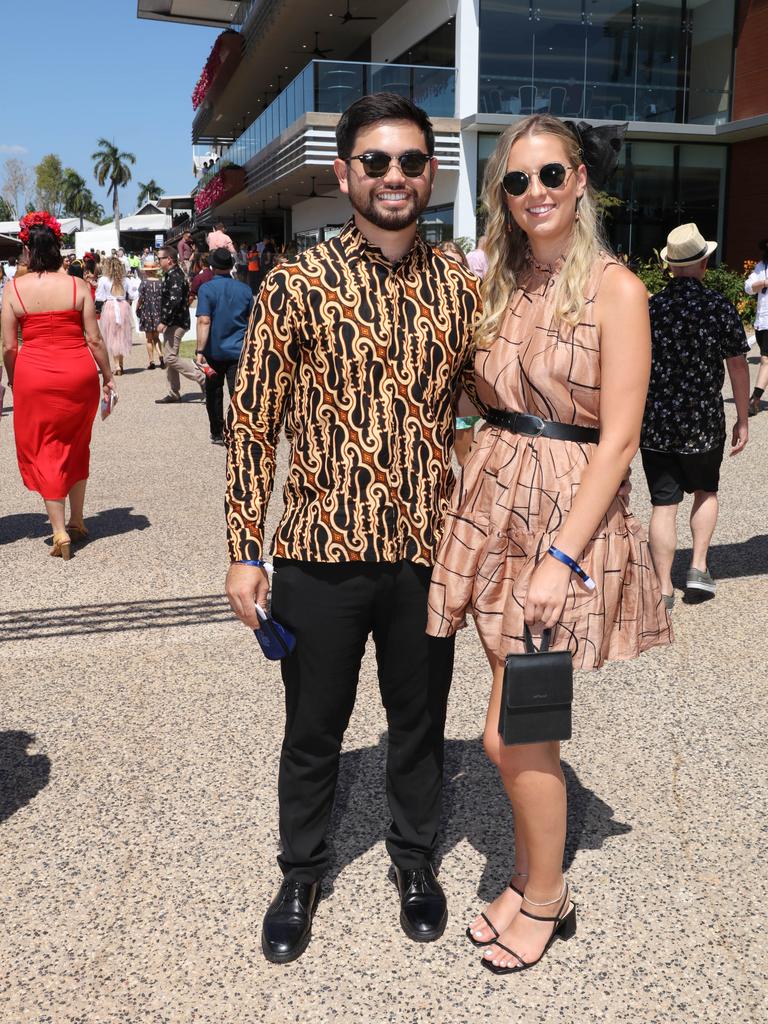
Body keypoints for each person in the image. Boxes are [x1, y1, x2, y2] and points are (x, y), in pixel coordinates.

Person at [224, 93, 481, 964]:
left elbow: (489, 407)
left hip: (423, 553)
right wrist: (242, 552)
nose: (395, 177)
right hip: (317, 556)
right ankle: (301, 870)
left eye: (411, 160)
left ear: (431, 172)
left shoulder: (459, 286)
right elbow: (253, 425)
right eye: (376, 162)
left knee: (420, 723)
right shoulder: (296, 285)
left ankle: (414, 860)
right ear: (343, 175)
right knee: (313, 729)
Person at [426, 115, 672, 974]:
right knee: (509, 724)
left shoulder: (615, 289)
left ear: (581, 182)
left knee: (519, 734)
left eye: (551, 175)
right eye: (517, 181)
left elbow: (620, 439)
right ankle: (536, 878)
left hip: (566, 520)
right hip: (497, 507)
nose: (535, 193)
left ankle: (545, 899)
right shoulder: (498, 280)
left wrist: (563, 555)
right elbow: (466, 390)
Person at [640, 222, 750, 604]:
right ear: (704, 262)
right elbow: (737, 364)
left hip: (656, 424)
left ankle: (663, 588)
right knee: (707, 491)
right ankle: (698, 568)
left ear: (670, 266)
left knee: (663, 504)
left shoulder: (650, 309)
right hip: (703, 422)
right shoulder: (718, 306)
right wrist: (743, 417)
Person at [1, 211, 114, 560]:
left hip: (34, 373)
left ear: (26, 249)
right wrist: (108, 376)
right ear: (56, 247)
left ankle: (60, 532)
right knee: (77, 442)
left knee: (46, 446)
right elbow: (94, 339)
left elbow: (8, 346)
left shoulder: (13, 288)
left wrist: (15, 379)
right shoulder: (78, 286)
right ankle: (79, 520)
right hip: (77, 371)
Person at [194, 248, 252, 445]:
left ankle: (218, 431)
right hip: (238, 348)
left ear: (212, 266)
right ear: (230, 266)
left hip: (214, 350)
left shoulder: (207, 289)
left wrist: (200, 350)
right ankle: (239, 428)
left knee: (214, 392)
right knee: (238, 391)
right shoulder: (244, 290)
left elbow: (204, 320)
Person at [437, 241, 481, 465]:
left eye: (456, 263)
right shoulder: (424, 303)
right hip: (431, 399)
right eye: (444, 263)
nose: (451, 270)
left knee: (466, 460)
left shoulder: (474, 300)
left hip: (461, 391)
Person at [155, 245, 205, 403]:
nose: (158, 261)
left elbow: (175, 302)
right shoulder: (171, 274)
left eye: (160, 258)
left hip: (177, 322)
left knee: (169, 358)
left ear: (169, 259)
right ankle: (174, 392)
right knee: (171, 356)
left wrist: (164, 321)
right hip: (174, 322)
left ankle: (202, 377)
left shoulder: (175, 276)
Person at [95, 256, 140, 376]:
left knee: (113, 336)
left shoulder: (104, 280)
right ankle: (121, 363)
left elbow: (99, 296)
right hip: (123, 306)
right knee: (122, 336)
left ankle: (116, 365)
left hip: (110, 306)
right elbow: (133, 294)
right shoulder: (125, 280)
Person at [745, 238, 768, 416]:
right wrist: (764, 283)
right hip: (763, 321)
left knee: (766, 360)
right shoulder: (761, 267)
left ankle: (755, 398)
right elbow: (748, 287)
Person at [136, 262, 164, 369]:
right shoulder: (161, 282)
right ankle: (161, 355)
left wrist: (137, 307)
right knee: (156, 337)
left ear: (146, 272)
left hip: (147, 311)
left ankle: (151, 361)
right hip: (158, 311)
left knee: (149, 339)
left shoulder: (144, 283)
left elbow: (141, 298)